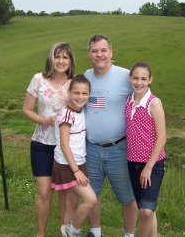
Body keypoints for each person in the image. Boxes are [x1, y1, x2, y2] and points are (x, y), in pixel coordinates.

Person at [23, 42, 78, 237]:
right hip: (41, 144)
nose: (61, 61)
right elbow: (26, 109)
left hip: (65, 147)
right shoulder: (38, 79)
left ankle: (65, 233)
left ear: (70, 60)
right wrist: (43, 119)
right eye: (57, 56)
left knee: (65, 193)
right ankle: (41, 233)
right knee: (45, 192)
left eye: (65, 57)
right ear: (51, 58)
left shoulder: (75, 84)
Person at [84, 34, 137, 237]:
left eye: (103, 50)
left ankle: (129, 234)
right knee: (92, 195)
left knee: (127, 197)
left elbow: (145, 100)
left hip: (119, 149)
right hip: (91, 148)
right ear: (89, 54)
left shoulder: (126, 76)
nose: (100, 54)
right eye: (95, 51)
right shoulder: (86, 76)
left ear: (111, 52)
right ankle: (95, 233)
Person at [51, 75, 97, 237]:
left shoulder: (80, 111)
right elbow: (64, 144)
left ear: (89, 94)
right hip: (67, 166)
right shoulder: (66, 114)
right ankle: (73, 230)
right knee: (91, 199)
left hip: (79, 162)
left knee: (71, 204)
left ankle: (69, 232)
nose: (80, 97)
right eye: (76, 93)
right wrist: (76, 170)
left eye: (84, 93)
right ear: (69, 93)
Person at [125, 62, 166, 237]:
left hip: (152, 165)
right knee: (147, 207)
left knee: (146, 212)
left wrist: (148, 167)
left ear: (150, 80)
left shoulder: (154, 103)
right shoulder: (128, 100)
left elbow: (162, 137)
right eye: (135, 78)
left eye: (143, 79)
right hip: (132, 163)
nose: (139, 82)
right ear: (130, 78)